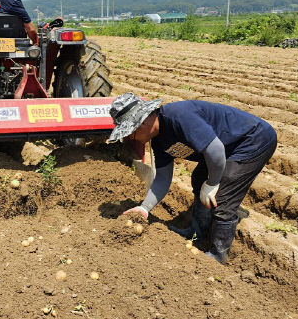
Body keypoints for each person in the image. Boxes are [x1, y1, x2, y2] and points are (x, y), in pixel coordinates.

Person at [109, 92, 277, 264]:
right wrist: (144, 208)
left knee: (223, 195)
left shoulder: (178, 117)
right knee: (198, 178)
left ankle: (219, 254)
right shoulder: (158, 140)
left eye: (129, 133)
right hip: (225, 146)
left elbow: (216, 151)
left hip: (252, 140)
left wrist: (213, 183)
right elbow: (163, 178)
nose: (129, 138)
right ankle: (198, 233)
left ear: (142, 123)